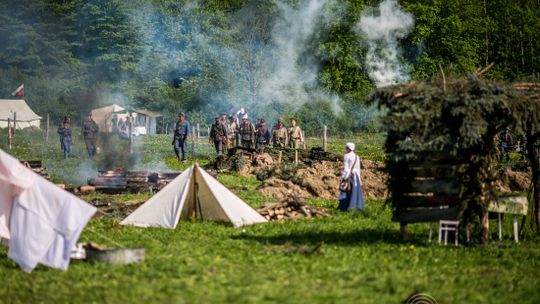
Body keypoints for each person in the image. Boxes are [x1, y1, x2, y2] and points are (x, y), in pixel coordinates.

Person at [338, 142, 364, 211]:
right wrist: (359, 179)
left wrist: (343, 177)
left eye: (346, 148)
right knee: (355, 191)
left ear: (348, 148)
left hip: (349, 174)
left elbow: (346, 168)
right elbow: (358, 168)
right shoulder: (356, 156)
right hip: (356, 176)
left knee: (346, 190)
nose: (345, 149)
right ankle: (356, 206)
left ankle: (344, 207)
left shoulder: (346, 156)